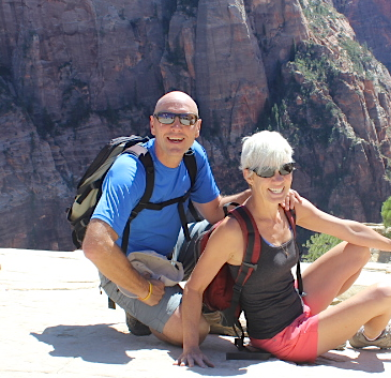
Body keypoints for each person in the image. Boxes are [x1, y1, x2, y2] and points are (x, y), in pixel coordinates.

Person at [176, 130, 391, 367]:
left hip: (297, 304)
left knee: (359, 250)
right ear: (248, 175)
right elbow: (194, 289)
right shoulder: (233, 231)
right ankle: (370, 336)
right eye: (267, 171)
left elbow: (350, 230)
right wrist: (191, 348)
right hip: (281, 337)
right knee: (385, 294)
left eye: (285, 169)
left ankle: (342, 328)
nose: (278, 180)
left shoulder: (289, 207)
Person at [82, 91, 297, 345]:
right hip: (129, 266)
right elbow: (95, 245)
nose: (176, 126)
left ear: (197, 128)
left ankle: (210, 305)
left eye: (186, 120)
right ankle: (144, 311)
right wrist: (145, 290)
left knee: (236, 231)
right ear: (153, 124)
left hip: (173, 250)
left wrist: (262, 192)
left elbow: (216, 213)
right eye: (167, 117)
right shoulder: (130, 170)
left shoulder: (193, 157)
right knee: (195, 330)